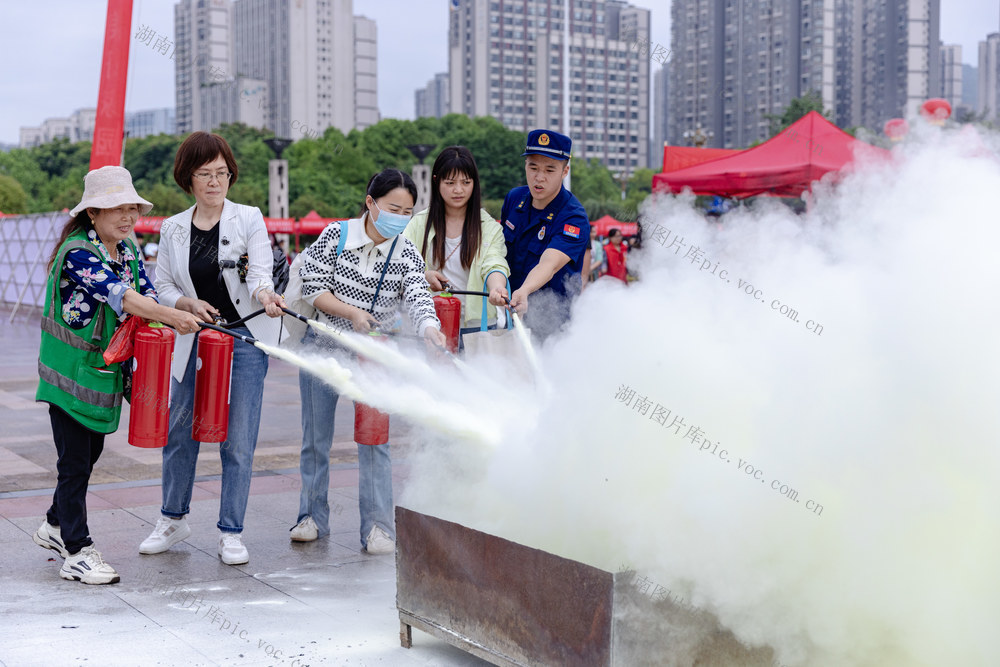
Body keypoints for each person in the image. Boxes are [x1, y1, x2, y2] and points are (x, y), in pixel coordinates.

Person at [34, 166, 201, 585]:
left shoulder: (126, 249)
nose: (127, 217)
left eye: (132, 208)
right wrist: (169, 316)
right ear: (92, 212)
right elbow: (121, 296)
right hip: (67, 375)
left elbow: (145, 288)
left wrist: (185, 305)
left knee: (88, 457)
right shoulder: (77, 253)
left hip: (100, 374)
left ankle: (54, 524)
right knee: (74, 462)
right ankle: (76, 550)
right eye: (117, 209)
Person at [139, 131, 286, 566]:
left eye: (222, 173)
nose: (215, 182)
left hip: (243, 339)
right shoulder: (173, 228)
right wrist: (184, 303)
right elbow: (161, 284)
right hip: (193, 338)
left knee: (238, 439)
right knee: (179, 431)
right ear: (188, 178)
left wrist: (265, 295)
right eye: (205, 174)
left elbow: (261, 272)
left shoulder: (249, 217)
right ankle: (172, 517)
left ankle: (231, 530)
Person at [291, 169, 446, 552]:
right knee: (316, 438)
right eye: (394, 208)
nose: (400, 217)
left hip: (376, 354)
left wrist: (429, 326)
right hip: (325, 342)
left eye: (408, 211)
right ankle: (311, 517)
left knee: (375, 441)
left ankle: (378, 528)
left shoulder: (406, 251)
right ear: (370, 203)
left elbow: (417, 295)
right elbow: (313, 288)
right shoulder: (336, 235)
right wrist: (351, 313)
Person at [402, 146, 511, 334]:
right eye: (450, 183)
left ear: (474, 183)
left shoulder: (489, 227)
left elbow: (494, 263)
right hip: (430, 324)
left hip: (477, 328)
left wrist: (497, 288)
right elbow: (401, 267)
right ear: (436, 181)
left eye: (466, 182)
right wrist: (424, 277)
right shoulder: (419, 223)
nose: (458, 190)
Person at [501, 129, 590, 339]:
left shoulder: (573, 217)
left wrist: (525, 290)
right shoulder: (515, 199)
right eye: (533, 167)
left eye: (550, 170)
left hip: (553, 326)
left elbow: (548, 265)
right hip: (510, 316)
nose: (539, 178)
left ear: (565, 171)